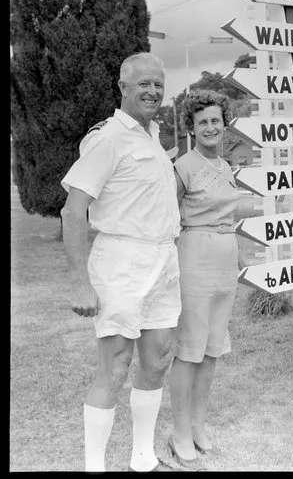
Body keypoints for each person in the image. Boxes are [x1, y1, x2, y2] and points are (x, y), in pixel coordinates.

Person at [60, 52, 181, 473]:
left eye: (158, 84)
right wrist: (79, 282)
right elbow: (73, 212)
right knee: (115, 365)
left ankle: (142, 459)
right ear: (122, 88)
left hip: (163, 257)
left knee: (159, 357)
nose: (152, 91)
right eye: (143, 83)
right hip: (122, 261)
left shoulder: (153, 136)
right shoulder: (108, 137)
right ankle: (94, 467)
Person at [167, 89, 242, 470]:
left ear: (224, 122)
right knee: (190, 351)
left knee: (212, 350)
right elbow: (167, 215)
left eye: (215, 120)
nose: (210, 127)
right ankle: (179, 431)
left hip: (226, 263)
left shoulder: (227, 167)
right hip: (194, 259)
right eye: (202, 122)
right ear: (192, 129)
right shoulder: (183, 166)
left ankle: (197, 423)